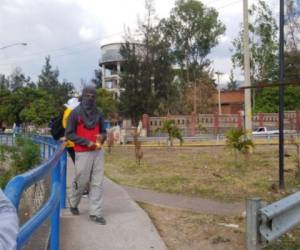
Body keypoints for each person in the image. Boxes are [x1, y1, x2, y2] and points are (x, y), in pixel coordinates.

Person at [65, 85, 107, 225]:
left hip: (98, 152)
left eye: (93, 96)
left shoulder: (99, 113)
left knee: (97, 182)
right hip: (82, 153)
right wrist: (85, 142)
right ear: (82, 96)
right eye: (87, 95)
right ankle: (73, 202)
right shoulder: (75, 113)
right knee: (81, 181)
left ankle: (95, 213)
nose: (90, 98)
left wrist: (102, 137)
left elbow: (103, 131)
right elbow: (69, 134)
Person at [62, 97, 80, 164]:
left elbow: (64, 125)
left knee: (76, 161)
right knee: (79, 162)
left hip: (69, 141)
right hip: (76, 142)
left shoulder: (66, 113)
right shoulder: (76, 113)